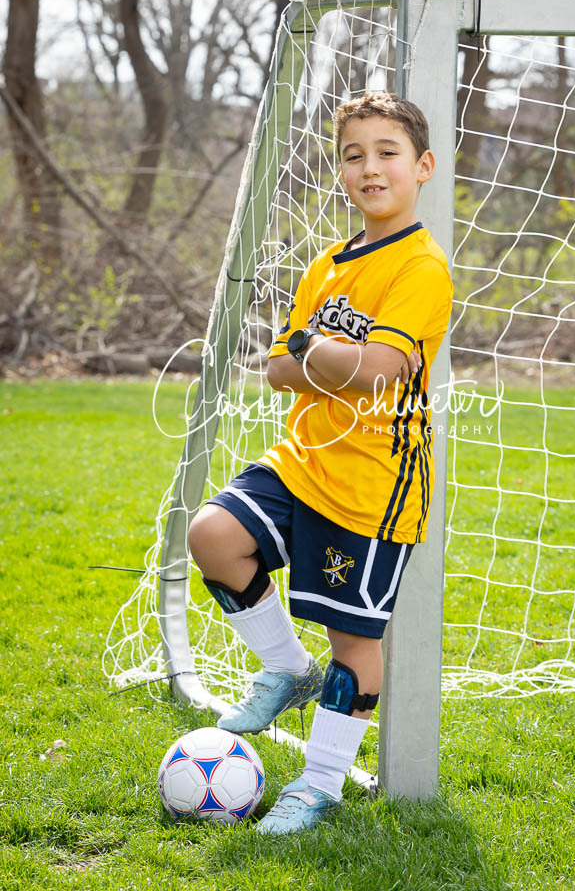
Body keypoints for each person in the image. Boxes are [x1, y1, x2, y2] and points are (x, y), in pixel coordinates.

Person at [188, 90, 453, 834]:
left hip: (374, 481)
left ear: (422, 166)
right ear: (340, 170)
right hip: (302, 458)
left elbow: (379, 372)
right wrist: (320, 354)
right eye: (353, 155)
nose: (370, 167)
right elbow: (278, 370)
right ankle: (284, 667)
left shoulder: (421, 267)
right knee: (213, 535)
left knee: (353, 641)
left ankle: (320, 784)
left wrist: (311, 347)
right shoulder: (326, 266)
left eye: (387, 152)